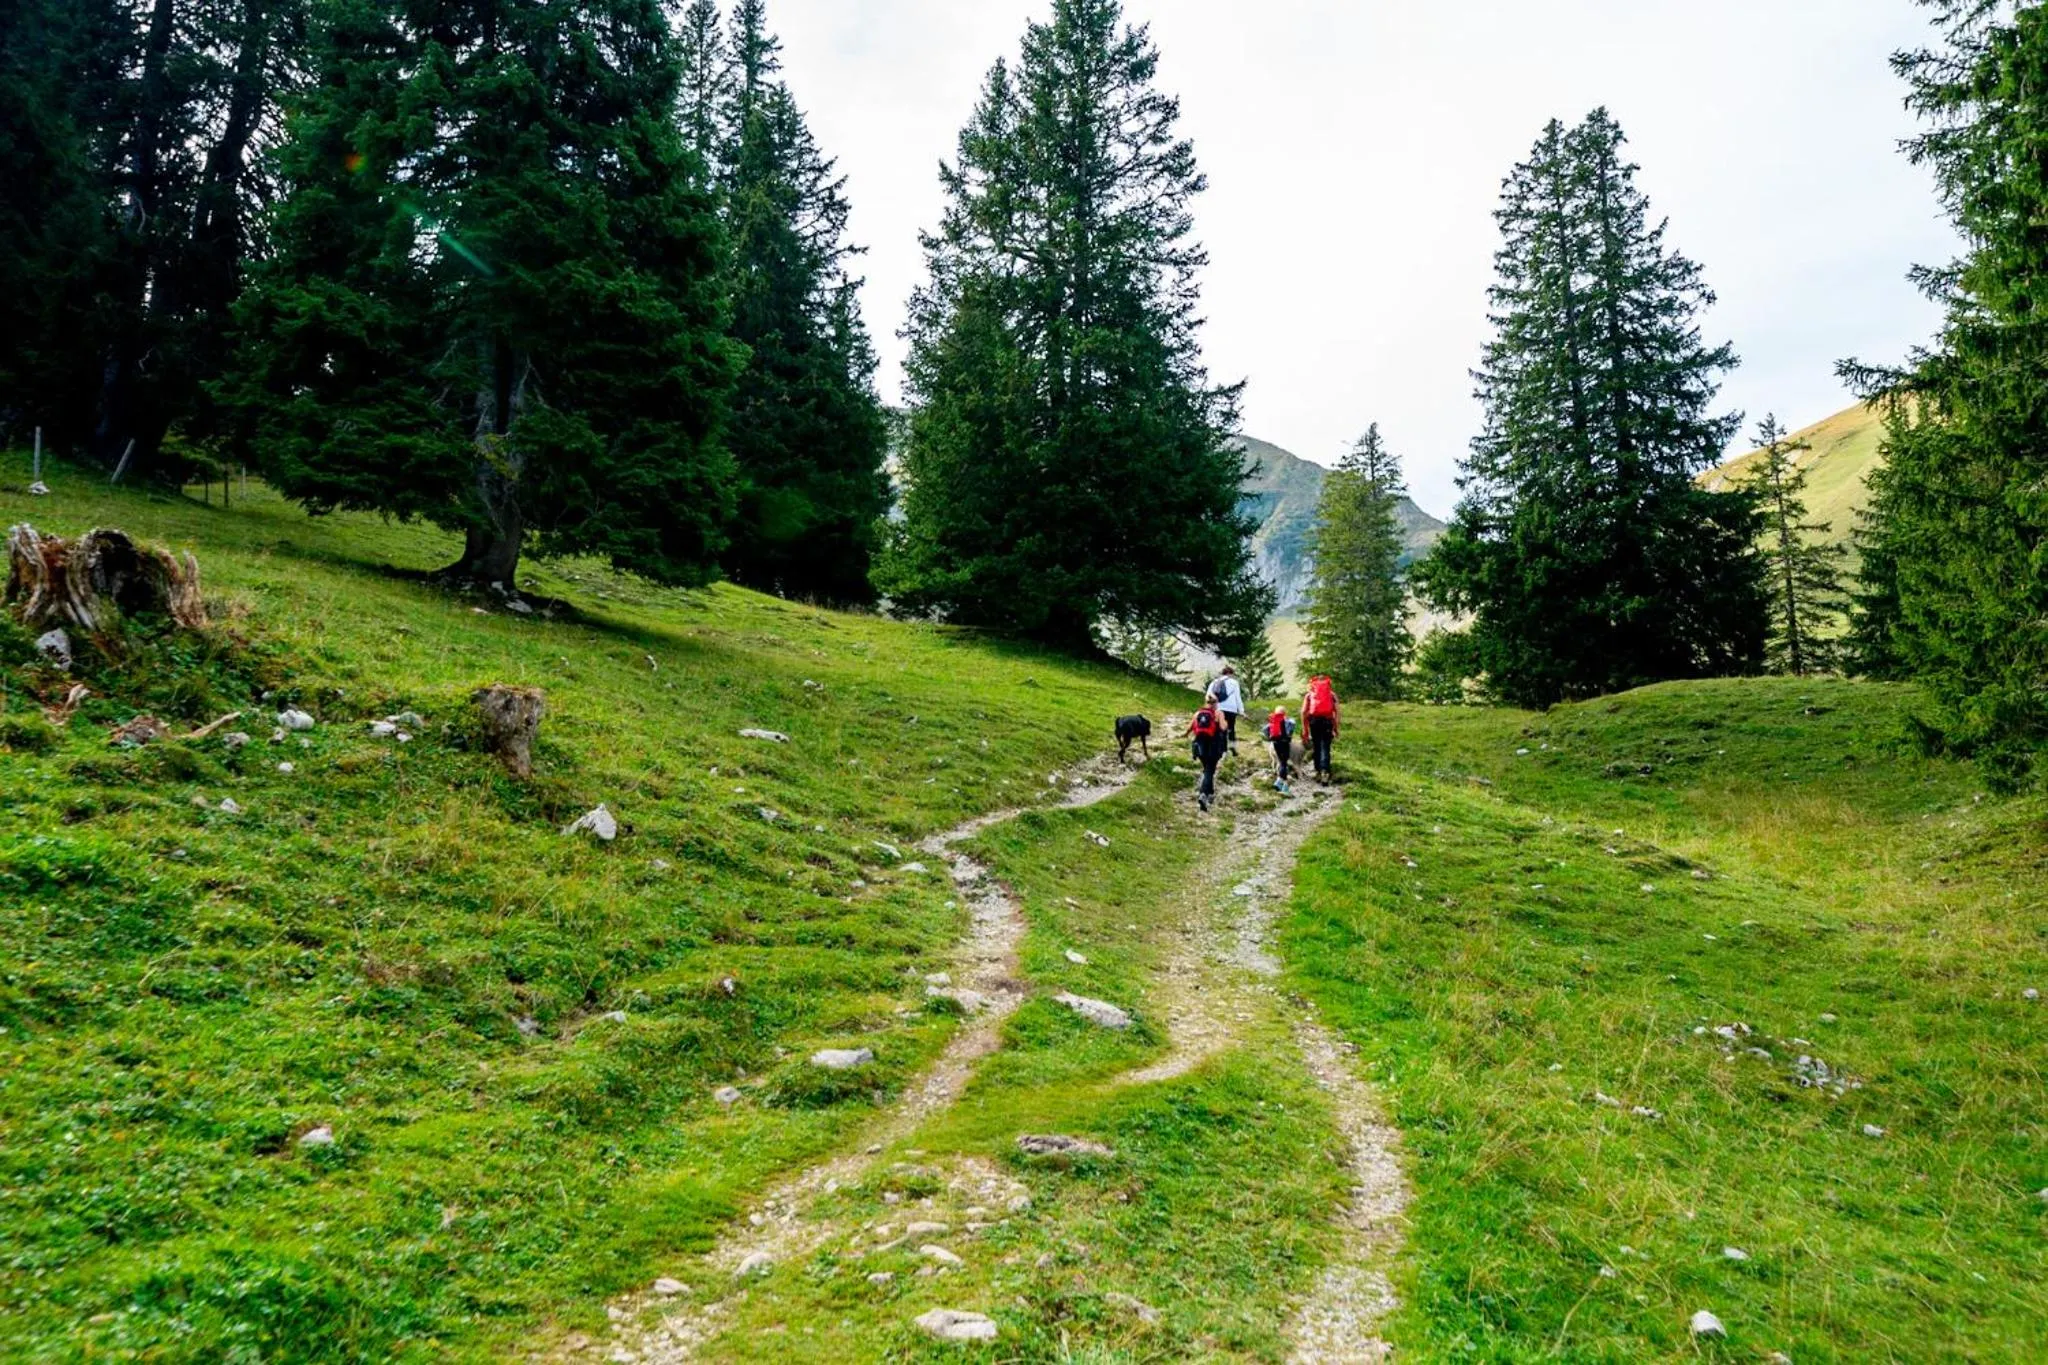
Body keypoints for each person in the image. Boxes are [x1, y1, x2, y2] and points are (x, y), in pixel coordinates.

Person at [1186, 699, 1230, 812]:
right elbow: (1223, 727)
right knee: (1209, 770)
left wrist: (1183, 734)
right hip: (1213, 746)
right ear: (1216, 704)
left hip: (1199, 746)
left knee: (1207, 769)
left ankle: (1210, 794)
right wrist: (1225, 722)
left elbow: (1190, 728)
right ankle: (1203, 794)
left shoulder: (1198, 714)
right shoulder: (1218, 713)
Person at [1303, 674, 1340, 784]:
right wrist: (1336, 727)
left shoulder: (1309, 695)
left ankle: (1318, 771)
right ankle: (1325, 772)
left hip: (1314, 722)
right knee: (1325, 746)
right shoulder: (1332, 695)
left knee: (1316, 745)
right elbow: (1337, 711)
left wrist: (1305, 728)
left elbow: (1303, 712)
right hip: (1327, 722)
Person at [1210, 665, 1246, 753]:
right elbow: (1238, 697)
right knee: (1231, 728)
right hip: (1231, 709)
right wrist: (1241, 711)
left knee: (1220, 728)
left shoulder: (1214, 682)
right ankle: (1232, 747)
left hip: (1218, 709)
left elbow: (1209, 695)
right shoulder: (1234, 682)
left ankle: (1222, 749)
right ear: (1230, 673)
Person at [1265, 706, 1297, 794]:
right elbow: (1293, 727)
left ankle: (1281, 783)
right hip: (1285, 744)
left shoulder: (1273, 721)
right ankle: (1281, 784)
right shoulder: (1289, 721)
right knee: (1283, 763)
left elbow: (1265, 729)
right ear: (1285, 713)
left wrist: (1269, 738)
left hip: (1275, 744)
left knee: (1281, 762)